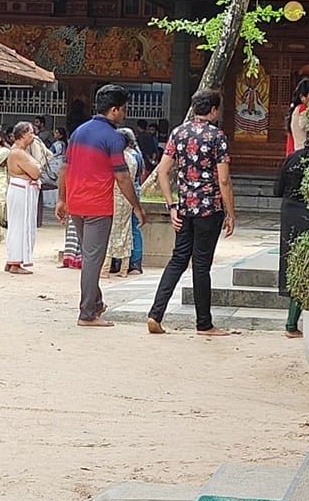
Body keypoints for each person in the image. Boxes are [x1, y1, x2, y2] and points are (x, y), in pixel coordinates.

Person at [146, 89, 237, 336]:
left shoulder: (179, 132)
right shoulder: (217, 136)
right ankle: (204, 323)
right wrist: (231, 212)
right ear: (214, 110)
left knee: (178, 259)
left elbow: (163, 171)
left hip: (184, 208)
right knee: (201, 265)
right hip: (209, 208)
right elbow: (224, 179)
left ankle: (156, 313)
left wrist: (171, 204)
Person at [61, 85, 143, 326]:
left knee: (90, 257)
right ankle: (87, 313)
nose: (125, 114)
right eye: (124, 110)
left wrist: (62, 198)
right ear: (114, 110)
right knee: (93, 260)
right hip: (97, 204)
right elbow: (123, 176)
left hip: (76, 202)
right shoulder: (114, 137)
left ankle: (95, 303)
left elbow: (64, 167)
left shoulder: (78, 132)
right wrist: (136, 206)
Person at [274, 144, 309, 338]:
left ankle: (292, 322)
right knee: (307, 265)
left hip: (289, 211)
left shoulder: (292, 158)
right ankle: (292, 323)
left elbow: (277, 189)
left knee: (291, 262)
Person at [3, 122, 46, 272]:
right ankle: (16, 263)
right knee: (20, 226)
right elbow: (35, 172)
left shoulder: (21, 151)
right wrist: (37, 168)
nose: (33, 136)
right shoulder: (18, 153)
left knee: (18, 225)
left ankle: (12, 260)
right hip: (21, 191)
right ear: (23, 135)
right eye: (30, 133)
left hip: (23, 190)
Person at [107, 136, 144, 275]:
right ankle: (128, 265)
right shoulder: (135, 157)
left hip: (119, 194)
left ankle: (111, 265)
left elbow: (122, 178)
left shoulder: (120, 157)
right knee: (128, 230)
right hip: (130, 196)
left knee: (115, 230)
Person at [287, 75, 309, 156]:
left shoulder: (296, 109)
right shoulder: (303, 109)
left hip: (298, 153)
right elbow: (305, 125)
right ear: (302, 97)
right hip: (304, 154)